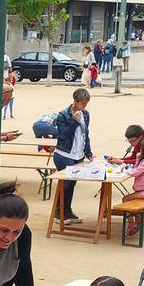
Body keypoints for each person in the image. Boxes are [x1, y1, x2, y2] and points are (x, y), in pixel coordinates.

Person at [50, 88, 94, 224]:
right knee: (66, 183)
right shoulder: (63, 114)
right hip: (64, 154)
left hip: (78, 155)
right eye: (82, 104)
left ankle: (67, 211)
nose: (84, 106)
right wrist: (74, 122)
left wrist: (88, 152)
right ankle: (58, 212)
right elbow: (62, 136)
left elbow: (85, 134)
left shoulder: (86, 114)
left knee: (72, 183)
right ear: (75, 101)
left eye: (86, 104)